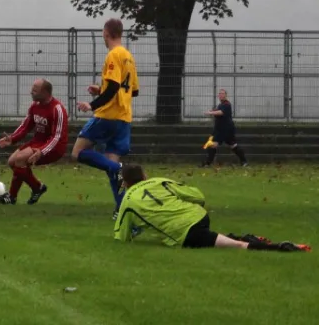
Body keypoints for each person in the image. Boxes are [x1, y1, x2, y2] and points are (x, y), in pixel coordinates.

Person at [113, 163, 310, 252]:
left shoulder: (127, 202)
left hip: (184, 234)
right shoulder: (160, 181)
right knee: (211, 237)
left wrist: (138, 228)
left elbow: (121, 236)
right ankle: (242, 237)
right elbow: (198, 196)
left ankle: (281, 247)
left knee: (238, 248)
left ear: (126, 183)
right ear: (144, 176)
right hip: (199, 217)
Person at [72, 18, 139, 220]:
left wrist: (91, 105)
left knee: (78, 152)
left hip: (108, 116)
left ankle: (118, 169)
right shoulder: (128, 56)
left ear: (106, 32)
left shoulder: (113, 55)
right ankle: (122, 209)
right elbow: (132, 91)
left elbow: (113, 88)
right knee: (112, 166)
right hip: (124, 118)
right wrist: (100, 89)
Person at [0, 78, 68, 205]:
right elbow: (25, 126)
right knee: (12, 162)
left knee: (19, 160)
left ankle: (13, 196)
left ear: (45, 92)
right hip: (38, 142)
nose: (31, 92)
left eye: (35, 90)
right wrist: (12, 138)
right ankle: (37, 188)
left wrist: (41, 151)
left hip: (54, 147)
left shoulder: (57, 109)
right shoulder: (35, 106)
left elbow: (57, 137)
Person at [202, 88, 248, 167]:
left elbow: (221, 112)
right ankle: (207, 163)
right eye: (220, 94)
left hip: (226, 130)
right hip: (220, 130)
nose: (221, 95)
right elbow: (218, 111)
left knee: (232, 146)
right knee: (214, 144)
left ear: (226, 95)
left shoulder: (227, 104)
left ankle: (244, 162)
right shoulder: (220, 105)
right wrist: (213, 111)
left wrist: (211, 112)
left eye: (223, 93)